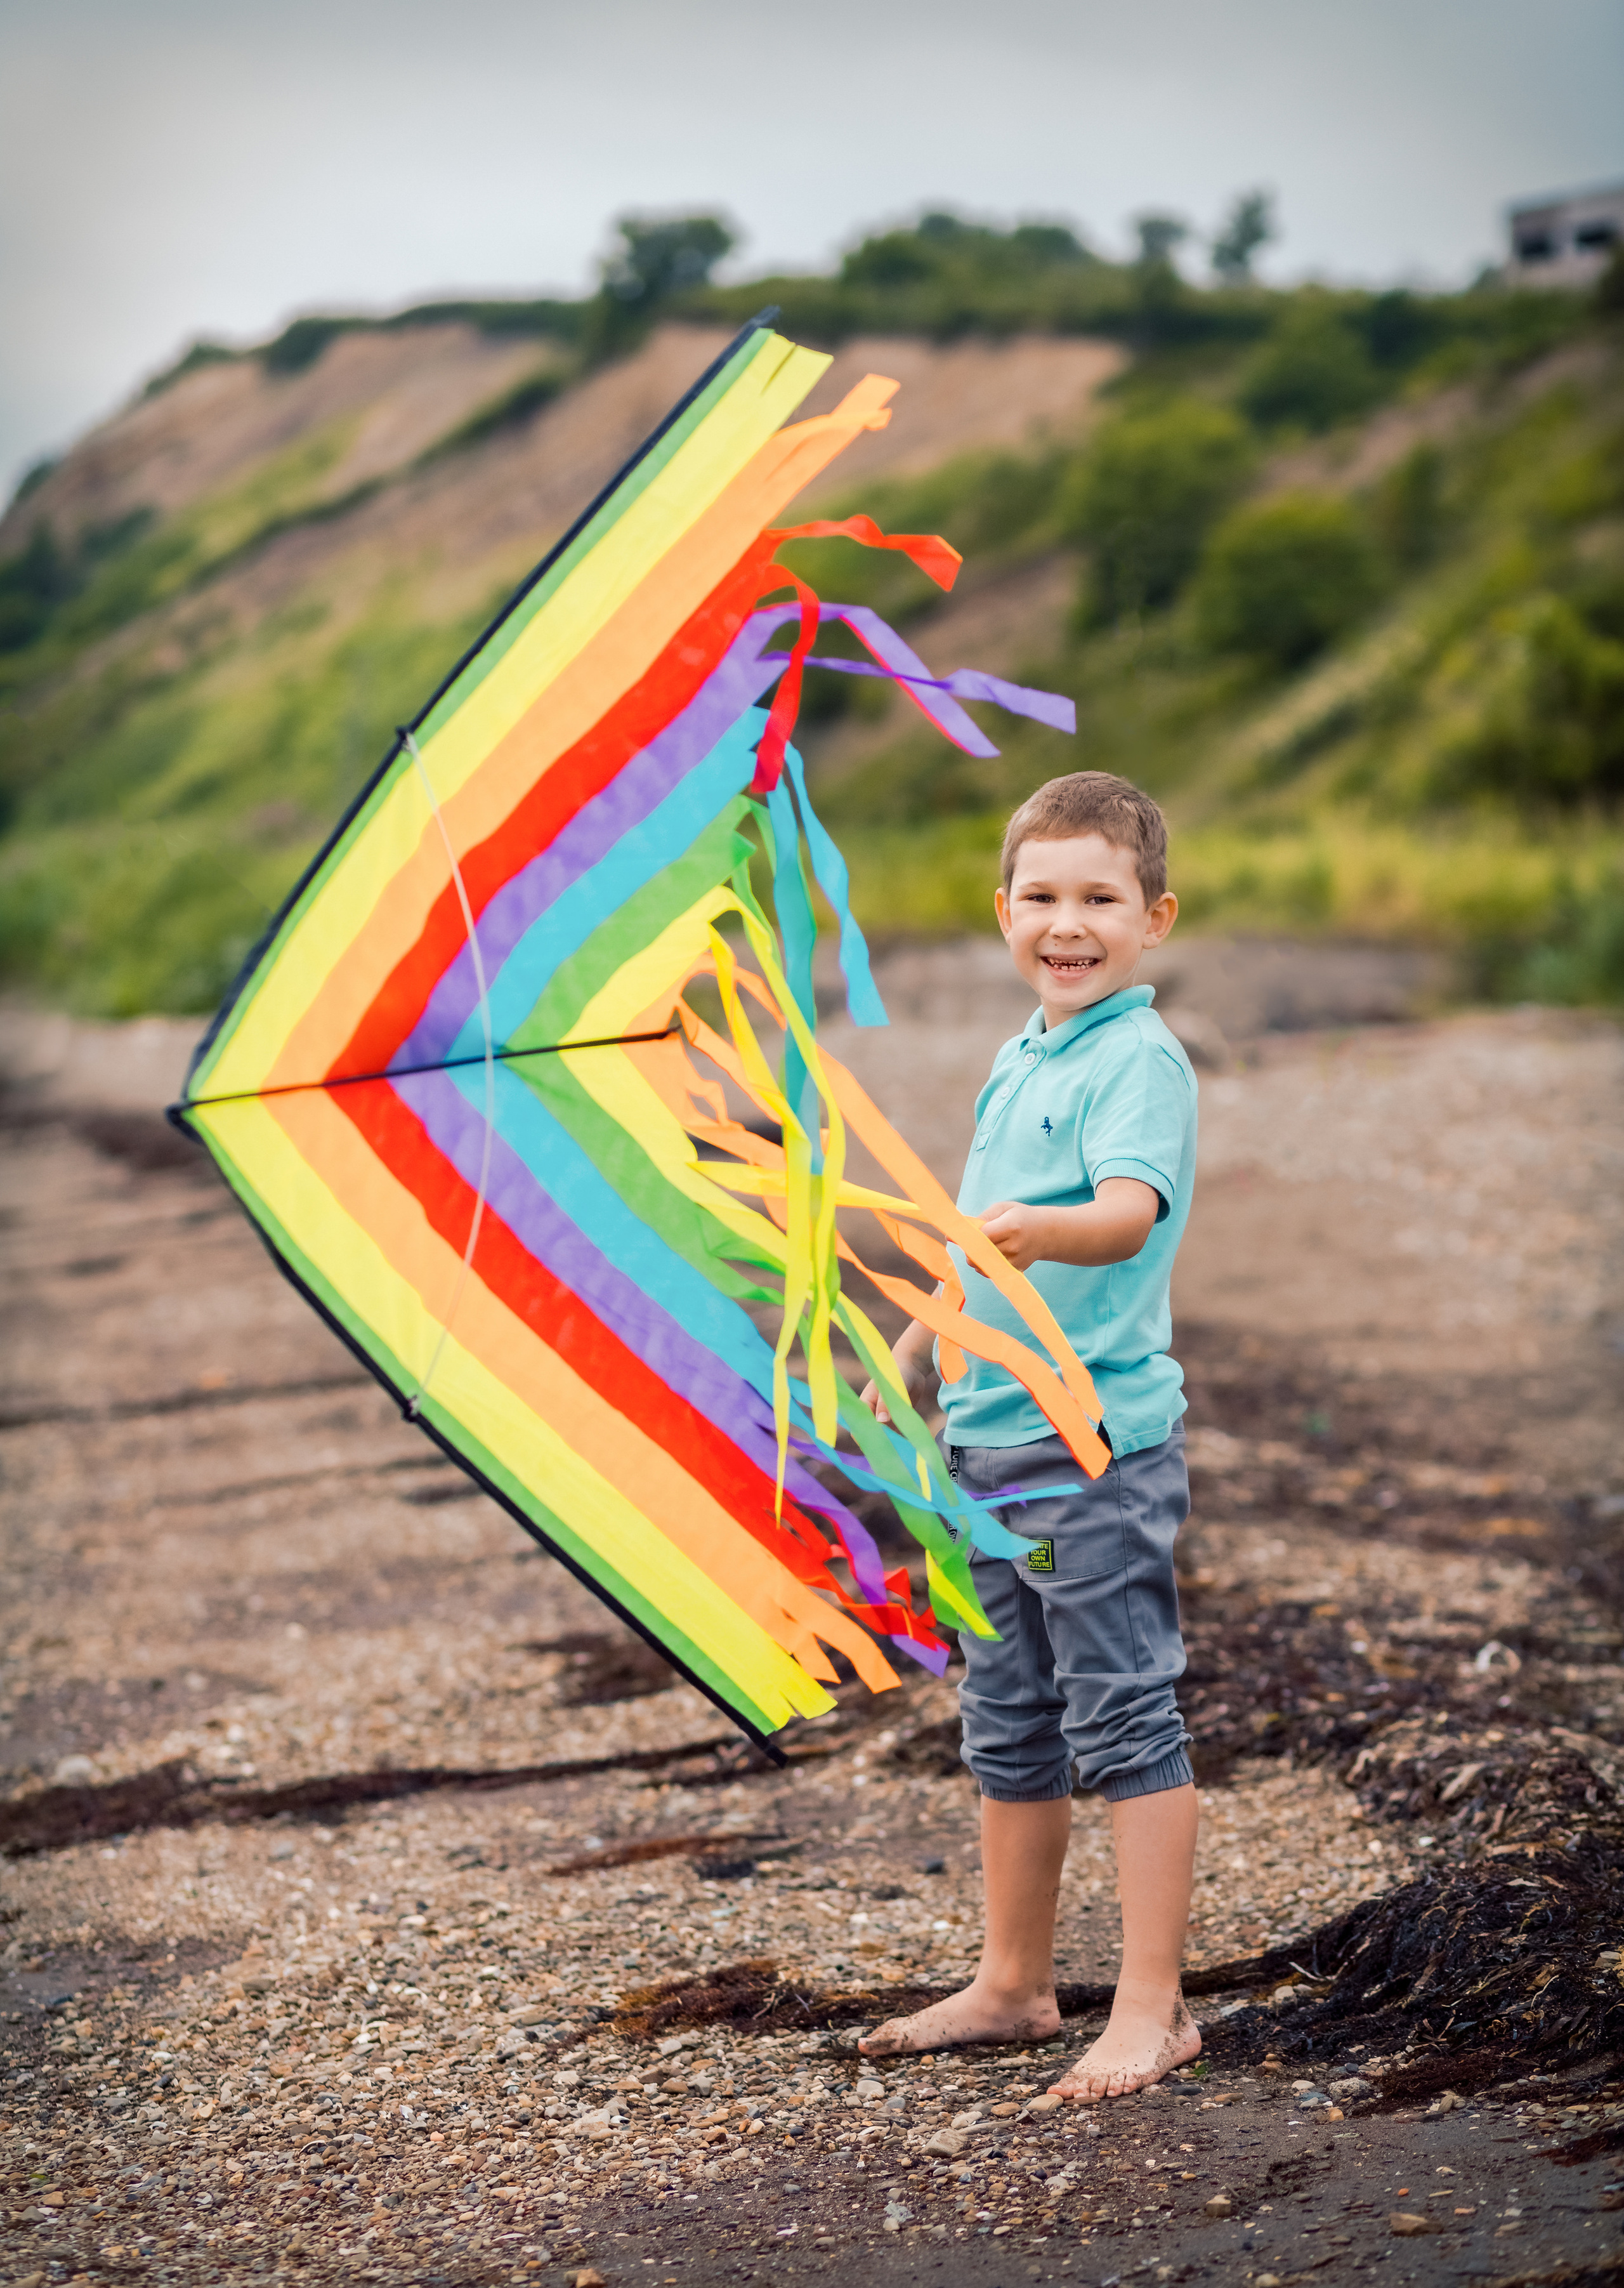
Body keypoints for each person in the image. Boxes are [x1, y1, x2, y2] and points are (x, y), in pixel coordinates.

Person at [857, 770, 1200, 2103]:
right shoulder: (1022, 1056)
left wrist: (1035, 1233)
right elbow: (968, 1240)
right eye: (1042, 897)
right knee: (1005, 1722)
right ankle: (1012, 1982)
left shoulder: (1134, 1060)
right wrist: (911, 1350)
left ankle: (1153, 2009)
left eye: (1098, 899)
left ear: (1153, 917)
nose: (1068, 923)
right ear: (1001, 912)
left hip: (1089, 1448)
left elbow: (1123, 1214)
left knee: (1122, 1715)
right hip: (984, 1446)